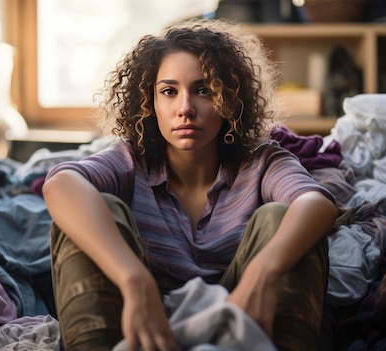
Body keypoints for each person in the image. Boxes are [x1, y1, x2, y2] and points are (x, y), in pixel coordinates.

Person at [42, 18, 339, 351]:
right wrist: (134, 280)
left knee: (281, 217)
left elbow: (316, 203)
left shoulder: (261, 161)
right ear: (150, 102)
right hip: (142, 318)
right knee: (94, 210)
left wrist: (266, 271)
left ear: (229, 98)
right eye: (169, 91)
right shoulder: (131, 160)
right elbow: (61, 185)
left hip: (241, 316)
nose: (184, 108)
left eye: (203, 90)